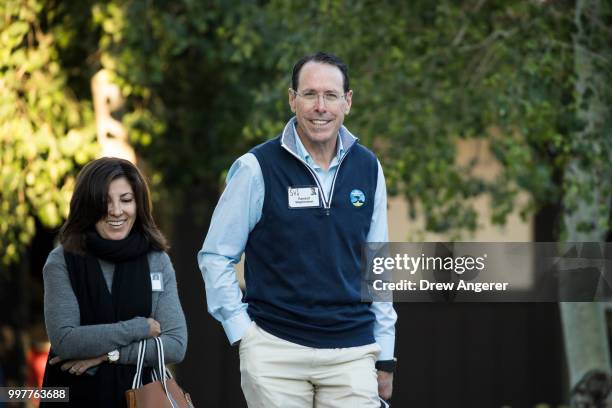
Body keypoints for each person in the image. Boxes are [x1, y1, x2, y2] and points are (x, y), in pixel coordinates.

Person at [198, 52, 397, 407]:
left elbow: (377, 267)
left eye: (331, 95)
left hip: (351, 352)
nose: (320, 106)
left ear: (347, 102)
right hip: (275, 351)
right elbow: (215, 255)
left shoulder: (369, 167)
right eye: (309, 94)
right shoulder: (256, 167)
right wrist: (243, 335)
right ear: (292, 99)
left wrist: (386, 356)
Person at [41, 157, 187, 407]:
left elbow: (174, 344)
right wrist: (139, 328)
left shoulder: (156, 260)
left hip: (141, 399)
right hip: (73, 396)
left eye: (126, 200)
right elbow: (65, 341)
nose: (116, 211)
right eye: (104, 202)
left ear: (138, 204)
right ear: (87, 206)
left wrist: (107, 356)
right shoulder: (61, 261)